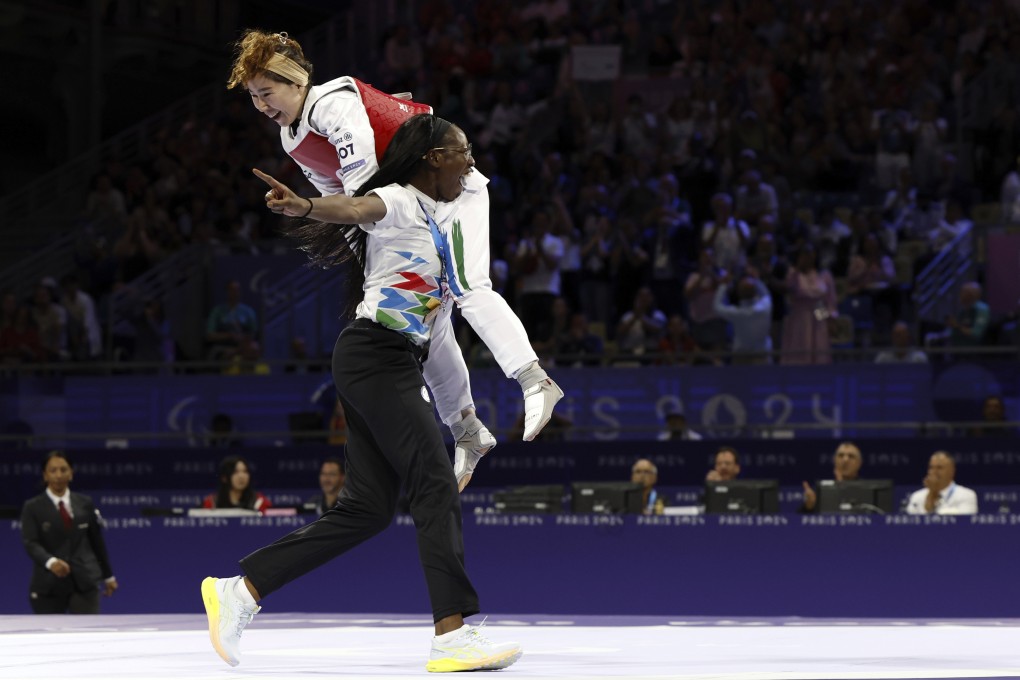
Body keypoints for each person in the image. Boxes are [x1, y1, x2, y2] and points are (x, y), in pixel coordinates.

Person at [201, 116, 542, 672]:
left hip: (390, 360)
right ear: (432, 158)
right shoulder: (401, 200)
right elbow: (359, 208)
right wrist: (307, 207)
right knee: (434, 482)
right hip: (374, 354)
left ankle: (240, 592)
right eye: (462, 152)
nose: (471, 163)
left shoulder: (441, 217)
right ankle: (452, 634)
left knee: (367, 509)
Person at [227, 29, 560, 491]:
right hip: (405, 205)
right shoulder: (291, 137)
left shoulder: (332, 101)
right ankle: (468, 431)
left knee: (468, 286)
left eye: (267, 92)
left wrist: (325, 213)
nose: (262, 106)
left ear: (297, 81)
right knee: (428, 318)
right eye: (253, 97)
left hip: (447, 186)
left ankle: (534, 379)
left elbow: (361, 184)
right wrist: (363, 259)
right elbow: (339, 199)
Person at [20, 451, 118, 614]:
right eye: (53, 470)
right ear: (45, 475)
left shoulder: (85, 503)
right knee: (49, 637)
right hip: (48, 585)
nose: (58, 475)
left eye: (63, 470)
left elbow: (96, 541)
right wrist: (51, 562)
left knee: (88, 635)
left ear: (71, 473)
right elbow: (31, 543)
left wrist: (108, 576)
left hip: (84, 583)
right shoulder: (32, 507)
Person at [781, 245, 838, 365]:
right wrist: (798, 268)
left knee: (819, 342)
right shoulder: (793, 274)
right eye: (804, 255)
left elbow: (830, 300)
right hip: (800, 313)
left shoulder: (824, 275)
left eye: (810, 254)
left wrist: (831, 320)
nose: (808, 258)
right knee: (801, 345)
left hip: (818, 309)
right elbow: (790, 288)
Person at [713, 274, 773, 363]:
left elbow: (717, 307)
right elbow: (767, 295)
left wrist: (723, 285)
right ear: (755, 292)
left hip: (741, 358)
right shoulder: (765, 307)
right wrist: (756, 279)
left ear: (739, 294)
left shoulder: (736, 313)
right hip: (762, 356)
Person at [905, 451, 978, 515]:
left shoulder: (966, 495)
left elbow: (964, 524)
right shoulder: (917, 497)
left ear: (952, 471)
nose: (934, 472)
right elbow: (912, 525)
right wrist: (932, 493)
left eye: (939, 468)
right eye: (931, 467)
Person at [801, 442, 863, 513]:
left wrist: (842, 486)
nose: (845, 460)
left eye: (851, 456)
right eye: (841, 455)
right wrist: (809, 507)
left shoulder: (867, 490)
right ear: (834, 460)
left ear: (859, 463)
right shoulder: (823, 491)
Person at [205, 280, 258, 360]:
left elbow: (253, 333)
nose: (235, 293)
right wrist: (229, 335)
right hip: (222, 346)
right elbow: (210, 336)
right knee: (226, 354)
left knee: (254, 348)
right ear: (227, 291)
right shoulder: (217, 311)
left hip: (243, 347)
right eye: (232, 290)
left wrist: (242, 342)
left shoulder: (248, 311)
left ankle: (250, 372)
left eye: (237, 290)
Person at [201, 456, 272, 514]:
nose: (241, 476)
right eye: (235, 472)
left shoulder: (260, 502)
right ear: (224, 478)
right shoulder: (211, 503)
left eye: (245, 471)